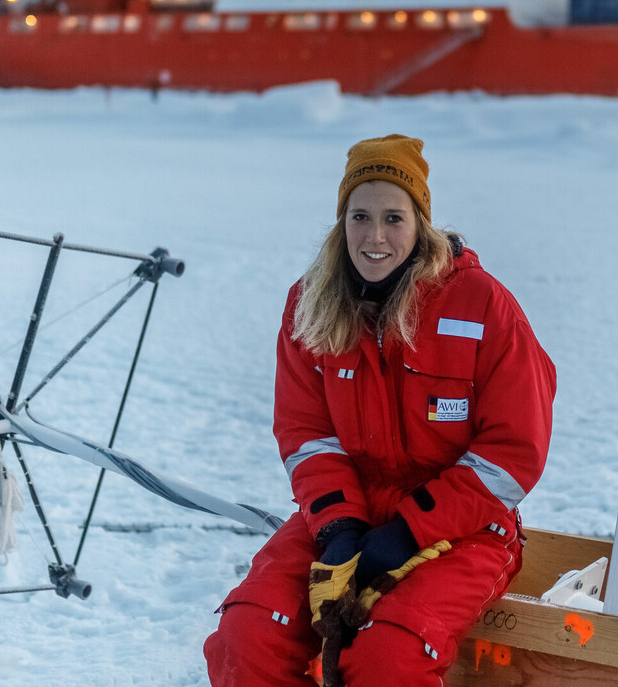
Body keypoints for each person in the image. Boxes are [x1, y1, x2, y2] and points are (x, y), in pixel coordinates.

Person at [206, 134, 556, 687]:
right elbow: (307, 436)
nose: (375, 236)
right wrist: (339, 526)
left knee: (389, 657)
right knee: (248, 636)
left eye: (394, 217)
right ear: (340, 221)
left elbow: (514, 454)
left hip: (464, 528)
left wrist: (411, 530)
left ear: (421, 224)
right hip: (350, 510)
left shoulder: (483, 305)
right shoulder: (310, 304)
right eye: (359, 216)